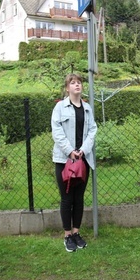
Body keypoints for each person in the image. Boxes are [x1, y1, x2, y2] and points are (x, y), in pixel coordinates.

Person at [51, 74, 97, 253]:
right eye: (73, 83)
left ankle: (77, 232)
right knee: (67, 198)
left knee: (79, 198)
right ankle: (67, 235)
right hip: (64, 160)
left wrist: (83, 151)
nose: (77, 85)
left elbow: (92, 130)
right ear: (67, 88)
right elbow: (57, 132)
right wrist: (70, 151)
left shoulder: (87, 108)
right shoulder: (60, 108)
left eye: (79, 82)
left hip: (83, 160)